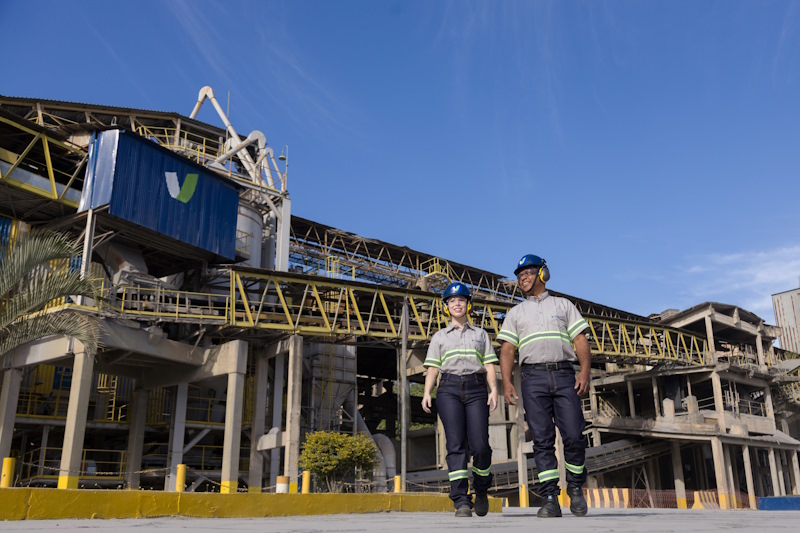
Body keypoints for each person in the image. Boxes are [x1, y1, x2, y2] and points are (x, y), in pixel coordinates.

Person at [497, 254, 591, 518]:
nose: (522, 279)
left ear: (543, 274)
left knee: (574, 434)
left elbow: (580, 340)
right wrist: (506, 382)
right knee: (542, 440)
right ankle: (550, 497)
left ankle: (575, 487)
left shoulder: (563, 305)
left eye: (527, 273)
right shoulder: (516, 313)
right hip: (532, 378)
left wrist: (584, 371)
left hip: (564, 375)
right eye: (519, 276)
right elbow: (507, 349)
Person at [422, 282, 499, 518]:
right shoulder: (439, 337)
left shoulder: (480, 334)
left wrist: (494, 389)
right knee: (456, 446)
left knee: (480, 446)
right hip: (448, 389)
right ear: (446, 307)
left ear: (468, 304)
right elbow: (433, 368)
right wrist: (427, 392)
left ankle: (482, 490)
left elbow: (488, 364)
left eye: (461, 300)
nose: (457, 303)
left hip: (476, 388)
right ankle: (461, 500)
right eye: (452, 301)